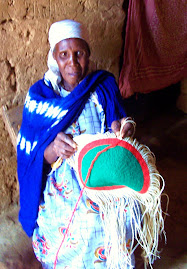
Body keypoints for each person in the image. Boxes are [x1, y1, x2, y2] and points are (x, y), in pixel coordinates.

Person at [17, 20, 135, 268]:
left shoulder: (102, 86)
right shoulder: (41, 96)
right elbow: (31, 155)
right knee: (85, 220)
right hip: (64, 179)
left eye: (79, 53)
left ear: (88, 55)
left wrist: (123, 128)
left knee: (127, 209)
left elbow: (120, 121)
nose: (72, 61)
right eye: (64, 55)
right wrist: (52, 149)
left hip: (102, 170)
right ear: (54, 59)